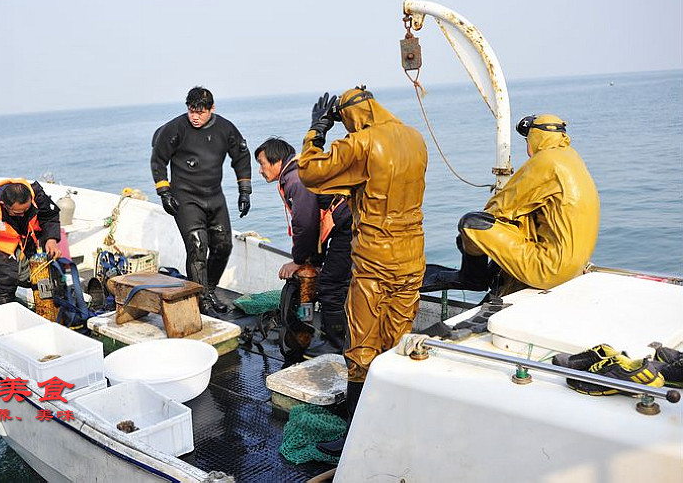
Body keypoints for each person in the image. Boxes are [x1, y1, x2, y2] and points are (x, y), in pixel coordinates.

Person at [297, 87, 428, 456]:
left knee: (362, 346)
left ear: (353, 116)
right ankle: (395, 420)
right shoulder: (414, 138)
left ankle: (358, 432)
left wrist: (316, 132)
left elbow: (310, 172)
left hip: (375, 259)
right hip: (412, 255)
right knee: (398, 340)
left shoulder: (363, 143)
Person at [449, 114, 599, 292]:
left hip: (550, 269)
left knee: (471, 224)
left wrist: (468, 243)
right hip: (575, 267)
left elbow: (498, 208)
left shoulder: (545, 161)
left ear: (536, 138)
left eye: (527, 139)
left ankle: (473, 280)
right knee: (519, 223)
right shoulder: (572, 158)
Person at [150, 86, 252, 316]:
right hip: (185, 198)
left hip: (214, 196)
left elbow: (241, 156)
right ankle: (201, 298)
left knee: (223, 246)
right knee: (197, 246)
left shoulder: (225, 128)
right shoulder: (175, 128)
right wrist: (164, 192)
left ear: (212, 109)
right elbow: (158, 160)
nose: (195, 116)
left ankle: (210, 290)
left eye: (200, 111)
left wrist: (244, 190)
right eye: (191, 110)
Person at [254, 136, 352, 355]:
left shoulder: (296, 180)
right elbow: (318, 223)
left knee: (331, 286)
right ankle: (340, 336)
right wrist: (313, 262)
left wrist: (298, 261)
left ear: (277, 160)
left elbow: (306, 226)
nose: (260, 170)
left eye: (261, 164)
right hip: (344, 225)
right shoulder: (297, 172)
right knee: (335, 282)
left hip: (348, 227)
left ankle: (336, 344)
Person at [0, 179, 61, 304]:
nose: (23, 215)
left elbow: (50, 215)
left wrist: (51, 239)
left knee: (47, 278)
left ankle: (49, 306)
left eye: (27, 210)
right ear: (4, 205)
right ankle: (5, 305)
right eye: (18, 212)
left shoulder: (36, 194)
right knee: (6, 281)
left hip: (31, 240)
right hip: (3, 248)